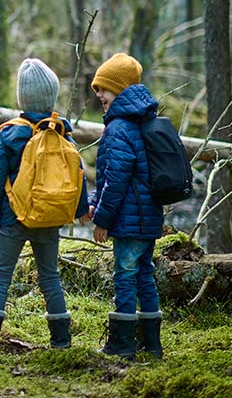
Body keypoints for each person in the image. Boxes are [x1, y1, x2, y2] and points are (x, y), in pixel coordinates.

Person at [0, 58, 90, 358]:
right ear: (51, 97)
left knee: (1, 275)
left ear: (22, 97)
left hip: (14, 218)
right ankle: (61, 342)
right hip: (50, 218)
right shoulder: (62, 132)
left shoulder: (9, 133)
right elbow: (77, 173)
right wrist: (81, 210)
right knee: (50, 276)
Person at [88, 52, 164, 359]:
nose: (99, 96)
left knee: (125, 275)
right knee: (145, 276)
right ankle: (152, 343)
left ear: (120, 88)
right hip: (148, 220)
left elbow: (116, 180)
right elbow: (110, 177)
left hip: (129, 221)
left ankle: (122, 345)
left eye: (103, 89)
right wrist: (96, 201)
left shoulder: (119, 127)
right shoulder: (143, 120)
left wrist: (102, 219)